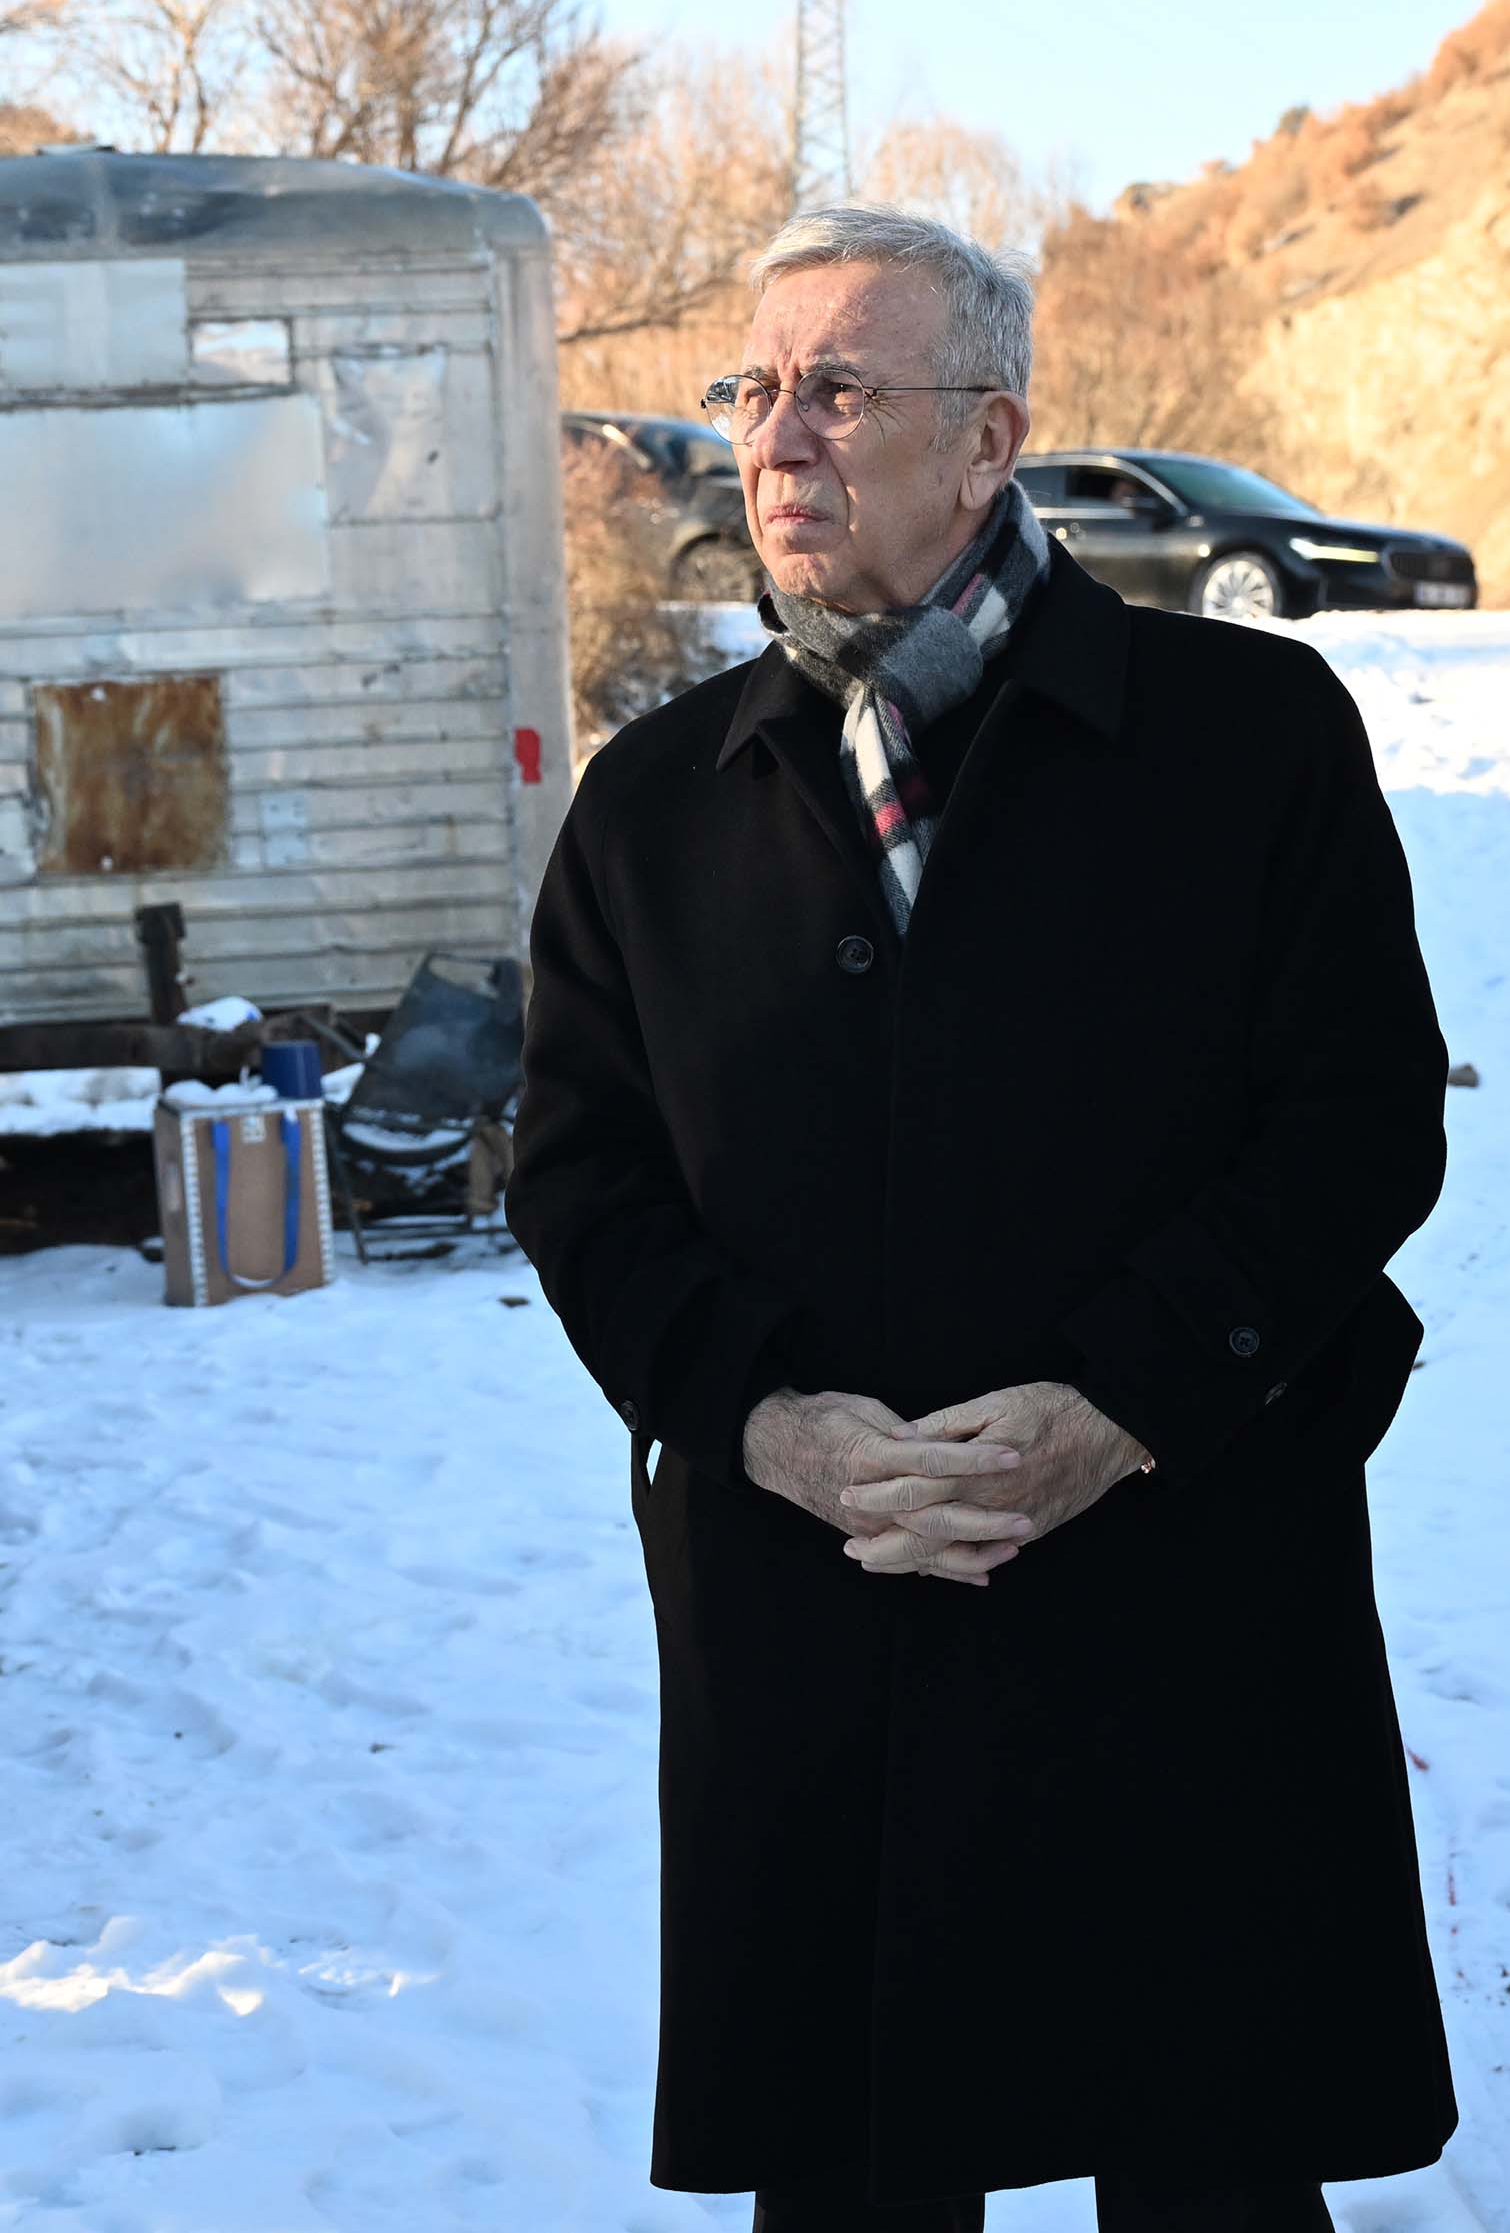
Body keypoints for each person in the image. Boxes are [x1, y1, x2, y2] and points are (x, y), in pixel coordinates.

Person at [506, 205, 1455, 2232]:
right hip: (813, 1605)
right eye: (748, 389)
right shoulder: (652, 803)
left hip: (1178, 1586)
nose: (772, 438)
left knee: (1204, 2149)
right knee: (852, 2167)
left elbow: (1358, 1124)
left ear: (986, 436)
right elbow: (577, 1174)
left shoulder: (1244, 739)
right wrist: (767, 1420)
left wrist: (1113, 1402)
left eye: (835, 389)